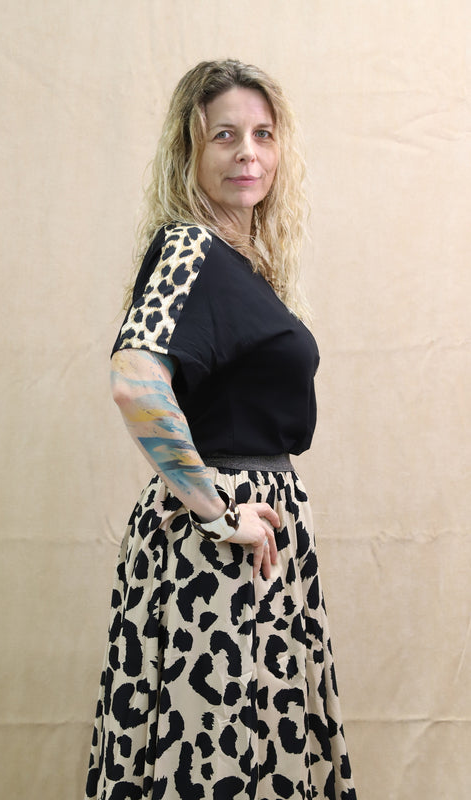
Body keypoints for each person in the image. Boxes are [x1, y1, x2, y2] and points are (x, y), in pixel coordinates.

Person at [85, 59, 356, 800]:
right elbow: (135, 381)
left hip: (254, 538)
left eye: (263, 134)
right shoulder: (189, 249)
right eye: (225, 135)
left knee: (254, 749)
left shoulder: (238, 263)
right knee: (217, 758)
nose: (248, 154)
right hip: (221, 553)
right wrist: (218, 512)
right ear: (190, 151)